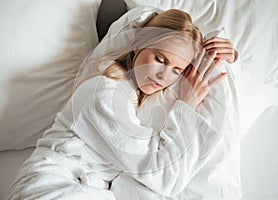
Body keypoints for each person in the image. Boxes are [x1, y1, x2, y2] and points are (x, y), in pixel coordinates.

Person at [8, 9, 237, 200]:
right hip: (53, 187)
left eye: (177, 70)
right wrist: (186, 105)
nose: (163, 76)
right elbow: (165, 177)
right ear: (138, 45)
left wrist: (227, 57)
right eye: (160, 59)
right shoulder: (103, 94)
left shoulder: (132, 93)